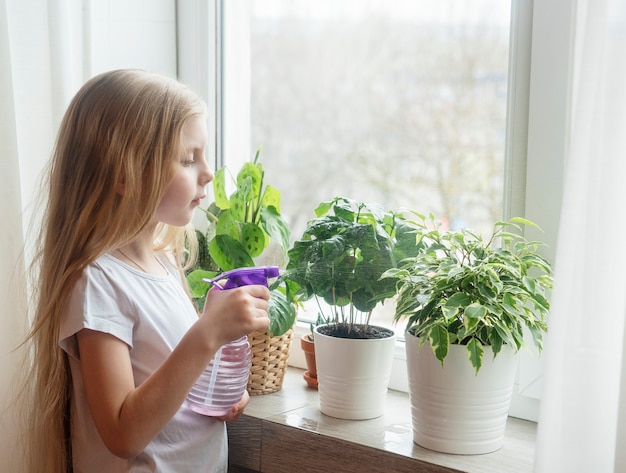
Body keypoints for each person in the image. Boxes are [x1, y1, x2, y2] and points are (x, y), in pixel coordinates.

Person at [22, 69, 270, 473]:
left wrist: (218, 390)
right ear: (125, 174)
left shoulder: (164, 264)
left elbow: (166, 378)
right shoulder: (97, 283)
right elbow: (123, 433)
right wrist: (206, 333)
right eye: (188, 159)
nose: (207, 171)